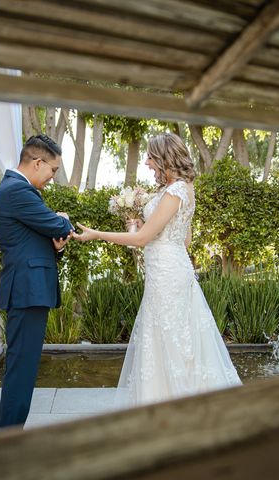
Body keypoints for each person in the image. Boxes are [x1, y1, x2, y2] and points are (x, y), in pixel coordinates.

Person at [73, 132, 241, 406]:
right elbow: (182, 240)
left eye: (151, 157)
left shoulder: (175, 192)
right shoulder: (177, 190)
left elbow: (141, 240)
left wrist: (97, 234)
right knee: (171, 337)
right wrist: (133, 221)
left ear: (165, 158)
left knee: (171, 338)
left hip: (168, 277)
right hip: (170, 270)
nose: (148, 163)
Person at [0, 134, 73, 431]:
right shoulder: (17, 191)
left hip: (29, 291)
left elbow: (39, 239)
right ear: (38, 163)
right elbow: (58, 225)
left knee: (23, 370)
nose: (53, 177)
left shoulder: (18, 190)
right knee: (21, 372)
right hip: (27, 292)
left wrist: (56, 246)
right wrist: (62, 217)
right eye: (53, 170)